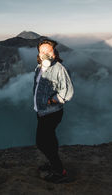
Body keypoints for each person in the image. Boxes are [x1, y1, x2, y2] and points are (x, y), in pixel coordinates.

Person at [33, 38, 74, 183]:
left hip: (52, 113)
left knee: (42, 142)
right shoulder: (40, 68)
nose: (44, 54)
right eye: (42, 51)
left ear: (54, 53)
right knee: (49, 140)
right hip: (42, 112)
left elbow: (68, 92)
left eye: (48, 51)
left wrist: (52, 100)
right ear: (38, 54)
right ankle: (53, 164)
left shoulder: (59, 69)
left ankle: (59, 171)